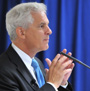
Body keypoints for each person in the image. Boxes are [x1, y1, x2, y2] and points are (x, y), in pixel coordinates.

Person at [0, 2, 74, 91]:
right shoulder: (3, 70)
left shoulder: (37, 64)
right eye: (41, 26)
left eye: (48, 25)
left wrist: (60, 83)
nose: (49, 31)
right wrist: (52, 84)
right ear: (21, 32)